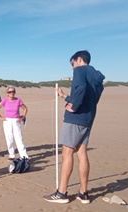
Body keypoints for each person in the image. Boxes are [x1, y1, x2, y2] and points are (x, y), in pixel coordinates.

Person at [43, 50, 105, 204]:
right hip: (88, 118)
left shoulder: (80, 70)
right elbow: (92, 95)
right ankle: (83, 193)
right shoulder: (96, 76)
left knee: (67, 152)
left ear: (79, 59)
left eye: (72, 64)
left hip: (76, 118)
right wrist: (66, 97)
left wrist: (74, 106)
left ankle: (62, 192)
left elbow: (82, 88)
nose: (72, 68)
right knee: (82, 152)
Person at [0, 86, 28, 161]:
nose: (11, 93)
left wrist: (23, 116)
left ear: (15, 92)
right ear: (7, 93)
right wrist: (0, 117)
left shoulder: (18, 100)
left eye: (13, 92)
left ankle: (23, 155)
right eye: (9, 92)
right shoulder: (5, 100)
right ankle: (11, 154)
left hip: (16, 120)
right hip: (7, 121)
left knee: (19, 137)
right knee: (9, 138)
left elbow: (25, 108)